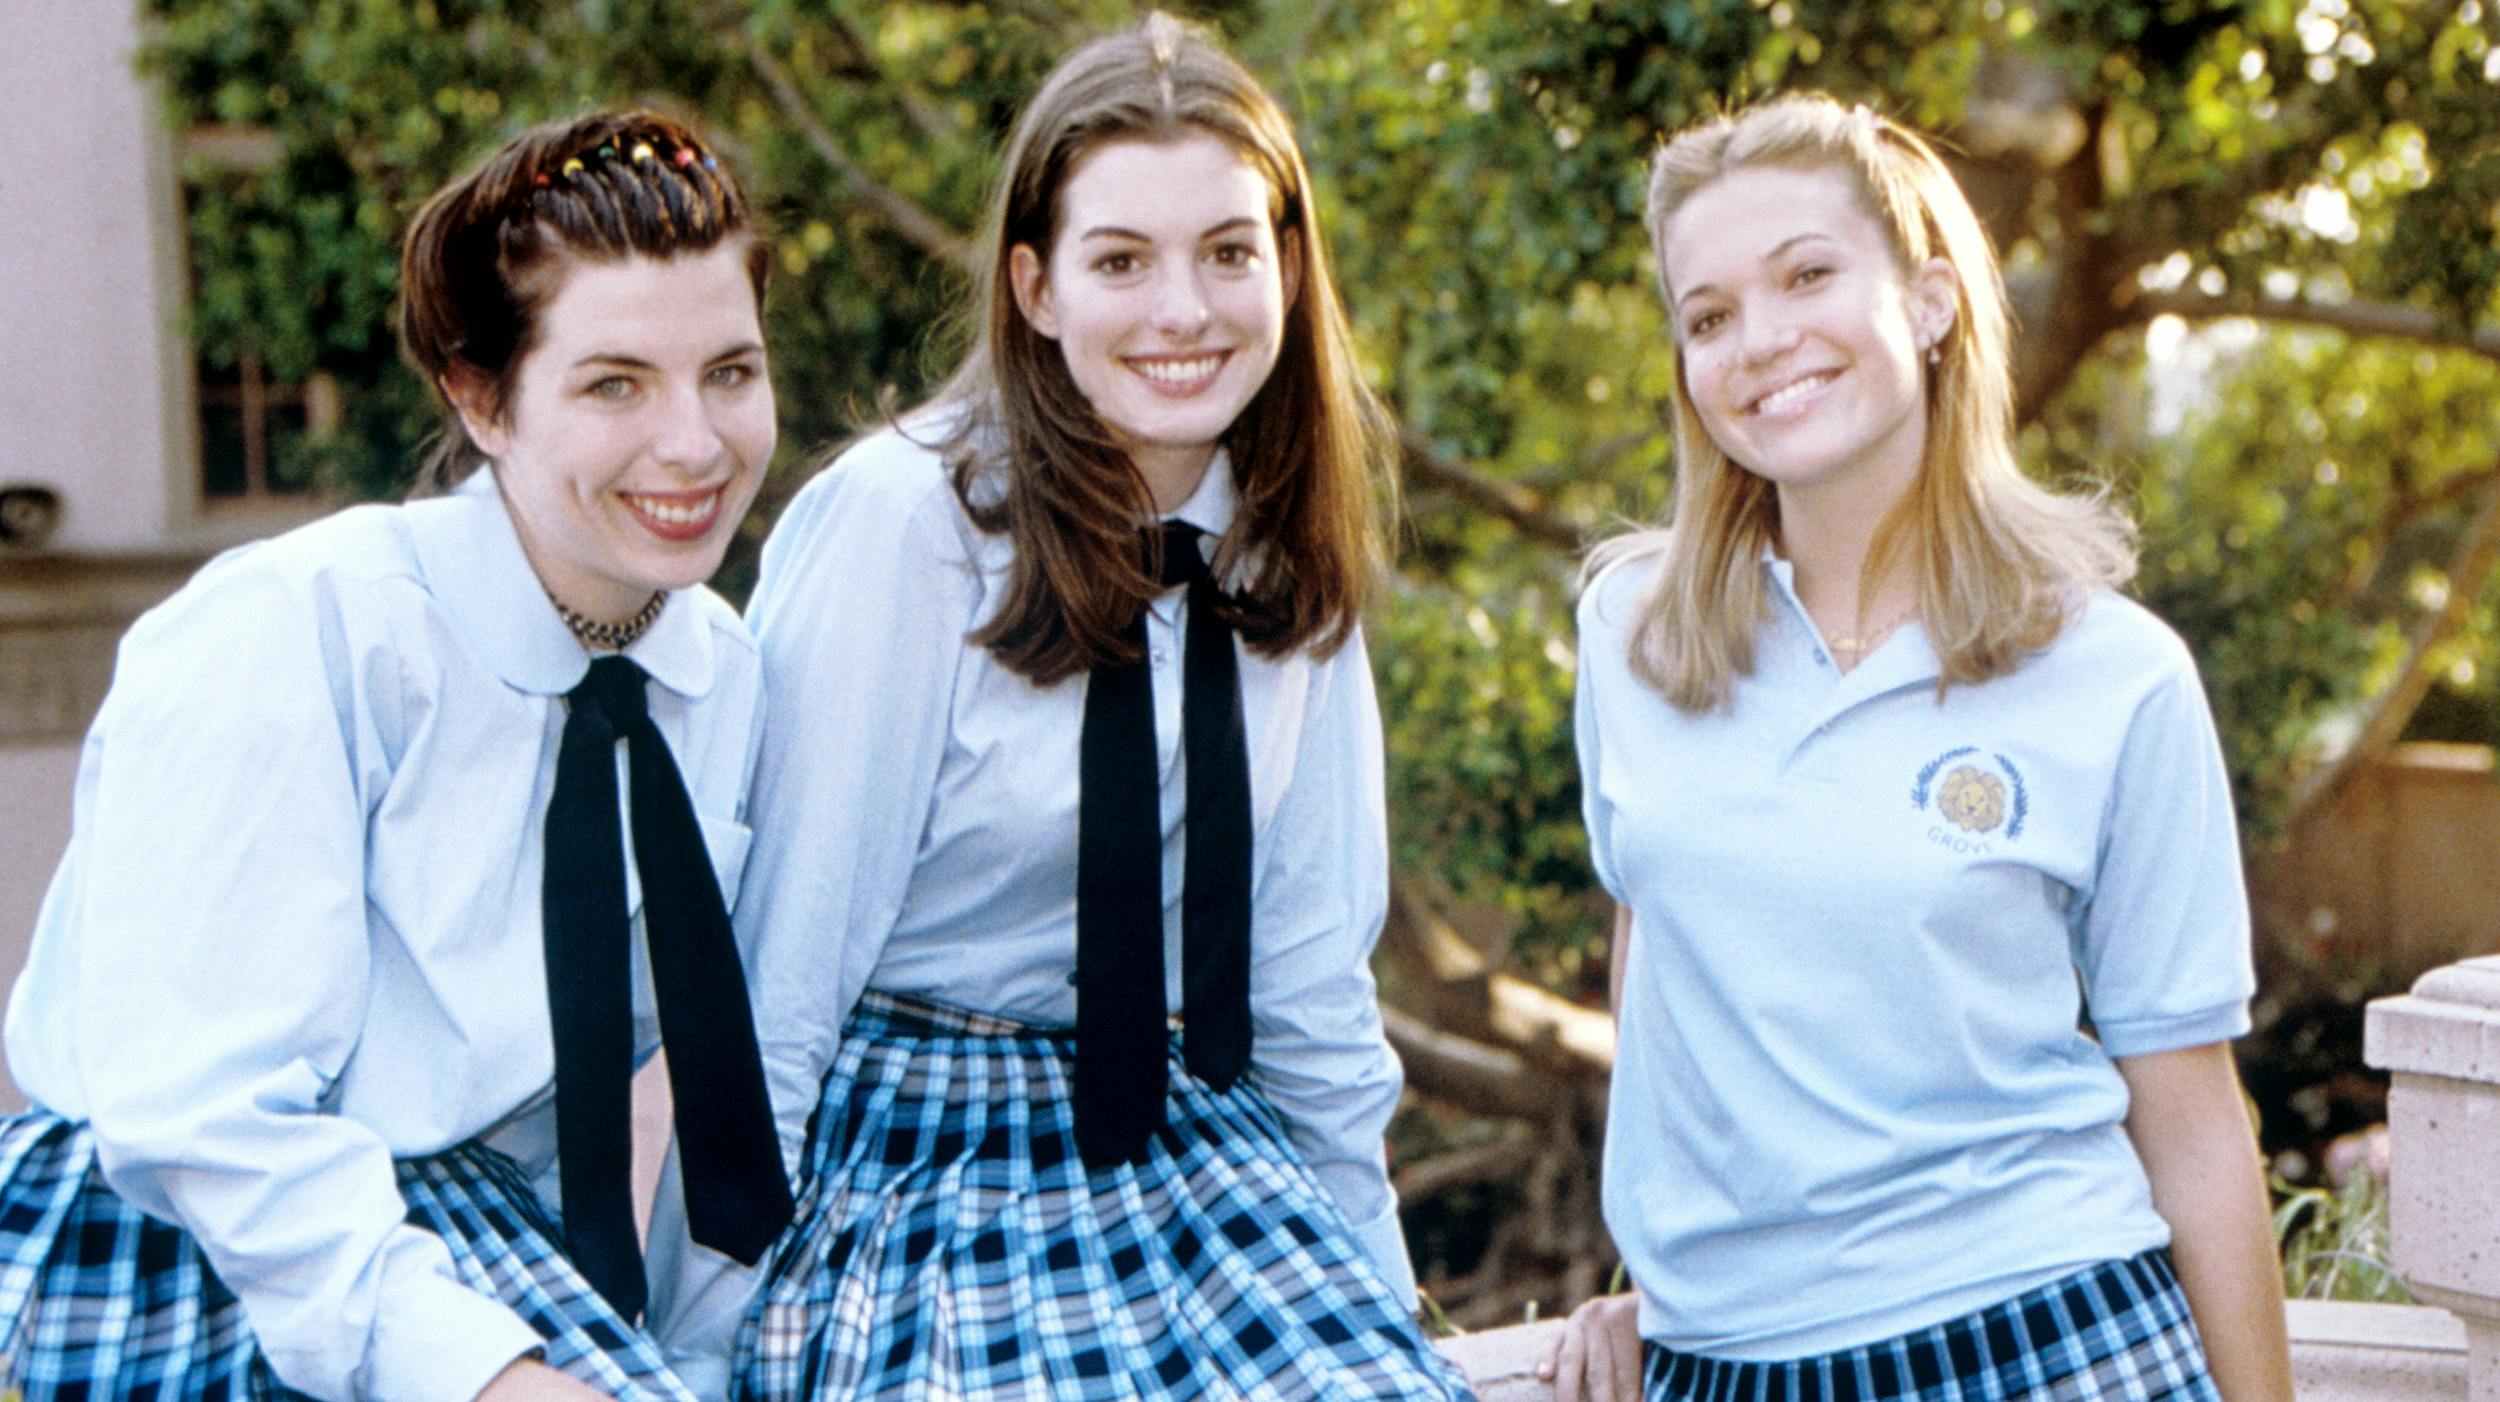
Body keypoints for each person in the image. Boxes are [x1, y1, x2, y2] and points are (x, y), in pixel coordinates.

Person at [729, 13, 1473, 1400]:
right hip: (920, 1150)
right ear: (1035, 286)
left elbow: (1309, 986)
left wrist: (1379, 1316)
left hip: (1193, 1143)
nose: (1183, 311)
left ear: (1291, 270)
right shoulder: (908, 525)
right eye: (1121, 259)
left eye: (1229, 252)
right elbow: (782, 976)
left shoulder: (1283, 549)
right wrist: (703, 1335)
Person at [0, 108, 792, 1401]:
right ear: (480, 397)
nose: (695, 444)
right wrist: (487, 1375)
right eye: (614, 384)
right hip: (189, 1248)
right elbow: (200, 1113)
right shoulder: (299, 627)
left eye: (731, 372)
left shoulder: (718, 673)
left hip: (476, 1247)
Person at [1543, 94, 2294, 1402]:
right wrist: (1656, 1276)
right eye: (1708, 314)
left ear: (1933, 299)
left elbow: (2191, 1118)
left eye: (1807, 275)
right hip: (1725, 1367)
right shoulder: (1632, 634)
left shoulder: (2114, 677)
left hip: (2051, 1338)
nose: (1759, 340)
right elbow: (1661, 955)